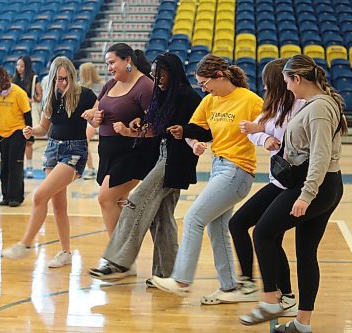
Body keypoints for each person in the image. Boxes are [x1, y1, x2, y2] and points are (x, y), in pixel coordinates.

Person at [239, 55, 347, 333]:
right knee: (305, 252)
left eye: (288, 82)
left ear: (297, 79)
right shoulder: (316, 104)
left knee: (262, 233)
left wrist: (306, 195)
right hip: (321, 185)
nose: (287, 88)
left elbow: (321, 157)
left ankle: (271, 300)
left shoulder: (319, 108)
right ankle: (302, 324)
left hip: (317, 187)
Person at [151, 54, 263, 302]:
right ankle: (230, 288)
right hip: (218, 167)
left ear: (220, 76)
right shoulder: (210, 101)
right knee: (216, 227)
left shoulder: (250, 100)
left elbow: (273, 124)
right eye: (201, 85)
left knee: (193, 218)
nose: (204, 88)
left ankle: (181, 280)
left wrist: (264, 132)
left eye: (205, 83)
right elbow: (195, 129)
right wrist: (192, 142)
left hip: (238, 170)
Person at [88, 53, 203, 282]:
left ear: (173, 71)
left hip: (174, 162)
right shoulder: (162, 95)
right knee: (162, 217)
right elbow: (154, 129)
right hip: (159, 157)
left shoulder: (189, 98)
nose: (156, 78)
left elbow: (200, 130)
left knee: (135, 202)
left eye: (160, 73)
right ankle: (166, 273)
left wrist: (190, 136)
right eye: (153, 73)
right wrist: (135, 127)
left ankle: (118, 261)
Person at [224, 59, 305, 311]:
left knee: (265, 235)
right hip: (278, 180)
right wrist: (263, 136)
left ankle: (285, 296)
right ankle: (251, 282)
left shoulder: (300, 105)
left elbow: (295, 140)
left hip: (293, 183)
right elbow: (251, 129)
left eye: (268, 81)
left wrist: (270, 135)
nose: (265, 86)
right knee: (238, 224)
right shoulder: (274, 104)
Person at [1, 56, 97, 267]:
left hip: (74, 151)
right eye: (57, 79)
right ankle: (65, 253)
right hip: (53, 149)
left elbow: (98, 117)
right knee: (58, 205)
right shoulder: (51, 96)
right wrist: (31, 131)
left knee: (39, 196)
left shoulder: (86, 95)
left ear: (72, 76)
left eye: (65, 79)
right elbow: (44, 129)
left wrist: (93, 118)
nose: (62, 83)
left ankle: (25, 244)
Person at [82, 43, 157, 238]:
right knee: (119, 202)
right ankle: (125, 257)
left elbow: (155, 128)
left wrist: (128, 132)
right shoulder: (110, 84)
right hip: (108, 152)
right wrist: (94, 117)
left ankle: (115, 255)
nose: (109, 68)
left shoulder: (145, 86)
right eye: (107, 64)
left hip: (132, 153)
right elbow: (96, 113)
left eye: (112, 62)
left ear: (128, 60)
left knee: (105, 198)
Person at [0, 66, 31, 207]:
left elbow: (27, 114)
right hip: (3, 133)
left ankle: (16, 197)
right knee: (4, 165)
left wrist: (29, 136)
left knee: (16, 164)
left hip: (18, 131)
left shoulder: (19, 93)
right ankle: (6, 195)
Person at [12, 55, 43, 179]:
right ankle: (18, 167)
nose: (19, 68)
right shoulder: (14, 79)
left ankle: (29, 167)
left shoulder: (34, 78)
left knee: (28, 142)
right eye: (18, 65)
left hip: (29, 111)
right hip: (16, 112)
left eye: (22, 65)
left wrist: (31, 99)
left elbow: (40, 96)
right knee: (17, 141)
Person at [78, 62, 104, 180]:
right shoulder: (102, 84)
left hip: (93, 120)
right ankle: (91, 168)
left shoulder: (87, 88)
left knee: (85, 143)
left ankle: (91, 169)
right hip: (96, 119)